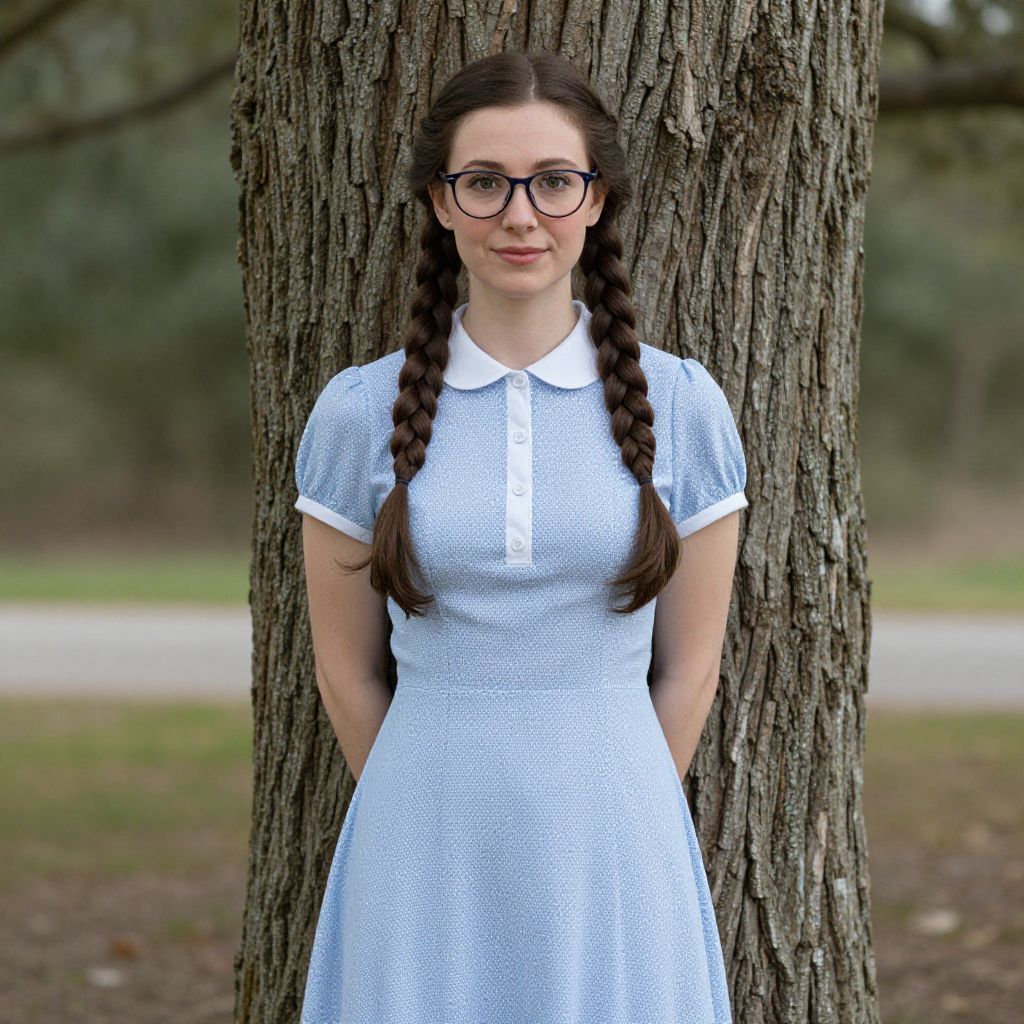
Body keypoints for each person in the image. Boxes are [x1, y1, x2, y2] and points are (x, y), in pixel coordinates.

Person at [294, 50, 747, 1024]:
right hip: (419, 845)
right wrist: (431, 807)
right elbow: (346, 672)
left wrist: (605, 810)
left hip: (618, 843)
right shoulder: (357, 411)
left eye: (552, 181)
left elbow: (690, 668)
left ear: (595, 200)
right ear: (439, 201)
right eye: (484, 182)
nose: (518, 213)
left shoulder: (682, 405)